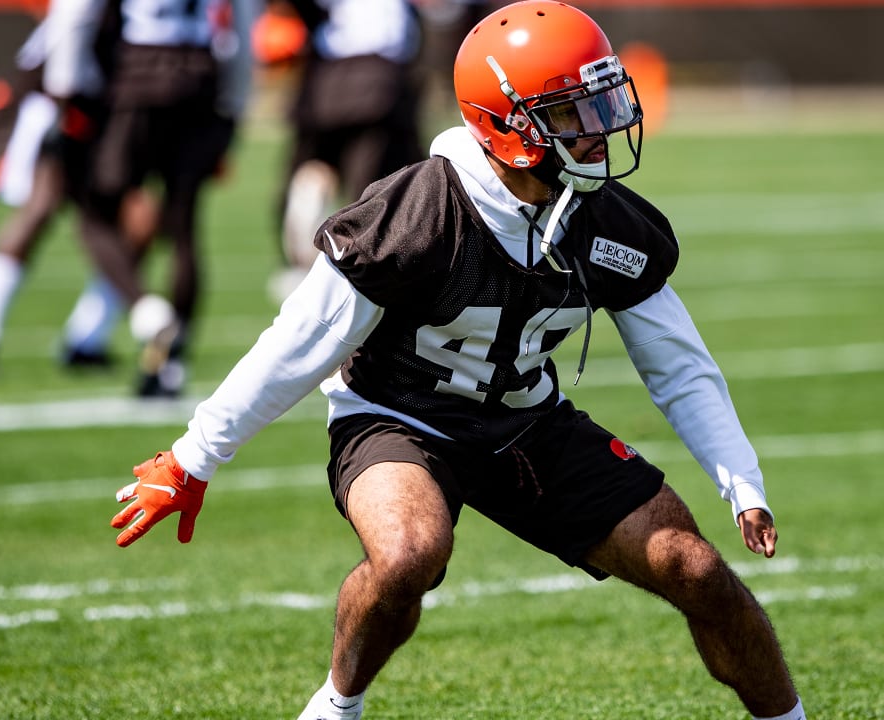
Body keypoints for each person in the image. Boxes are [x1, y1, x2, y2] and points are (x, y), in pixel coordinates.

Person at [107, 3, 808, 719]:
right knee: (408, 554)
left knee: (695, 568)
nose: (599, 130)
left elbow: (678, 366)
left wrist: (741, 481)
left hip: (527, 423)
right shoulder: (417, 213)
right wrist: (194, 458)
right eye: (572, 113)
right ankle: (337, 705)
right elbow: (301, 340)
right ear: (507, 125)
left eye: (603, 103)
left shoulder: (606, 220)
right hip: (397, 417)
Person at [43, 0, 258, 397]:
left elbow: (77, 13)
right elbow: (242, 27)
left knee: (94, 213)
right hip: (201, 80)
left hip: (135, 78)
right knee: (184, 228)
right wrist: (236, 102)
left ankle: (145, 309)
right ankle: (171, 365)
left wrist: (66, 89)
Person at [0, 19, 158, 378]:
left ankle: (87, 339)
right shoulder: (87, 14)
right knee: (40, 208)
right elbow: (33, 72)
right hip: (53, 112)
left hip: (105, 121)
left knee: (139, 220)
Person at [267, 0, 425, 303]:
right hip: (383, 82)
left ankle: (314, 269)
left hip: (336, 80)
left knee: (347, 192)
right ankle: (340, 273)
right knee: (377, 198)